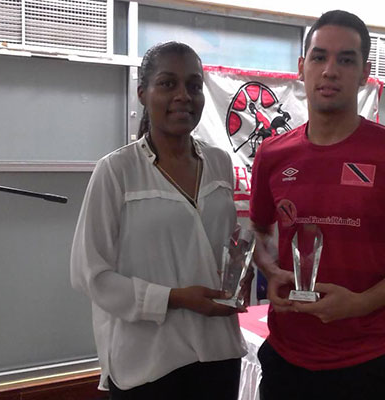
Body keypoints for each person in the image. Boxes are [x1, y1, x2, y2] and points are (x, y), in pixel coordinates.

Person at [249, 10, 385, 400]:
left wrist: (362, 304)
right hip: (286, 360)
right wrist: (271, 269)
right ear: (301, 67)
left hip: (367, 365)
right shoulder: (273, 154)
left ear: (364, 73)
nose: (330, 71)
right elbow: (259, 230)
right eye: (319, 57)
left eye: (346, 60)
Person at [70, 41, 247, 400]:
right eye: (168, 84)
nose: (184, 95)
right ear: (142, 93)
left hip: (217, 352)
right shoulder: (117, 171)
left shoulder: (219, 163)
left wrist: (239, 277)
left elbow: (224, 247)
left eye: (194, 85)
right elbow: (91, 274)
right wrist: (176, 298)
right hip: (148, 364)